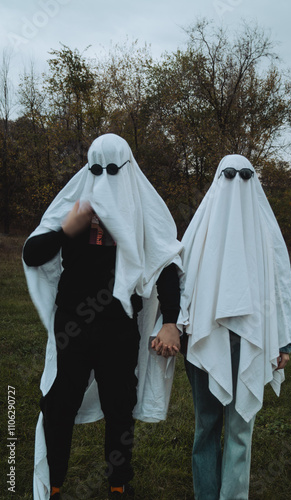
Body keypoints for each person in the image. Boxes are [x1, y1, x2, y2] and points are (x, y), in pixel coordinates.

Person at [23, 133, 183, 500]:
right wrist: (67, 229)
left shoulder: (142, 206)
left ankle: (118, 485)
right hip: (73, 322)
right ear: (88, 168)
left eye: (113, 169)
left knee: (119, 405)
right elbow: (33, 252)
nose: (104, 177)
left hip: (118, 325)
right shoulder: (74, 204)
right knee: (60, 404)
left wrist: (171, 321)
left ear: (127, 168)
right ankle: (55, 486)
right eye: (97, 169)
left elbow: (166, 263)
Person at [176, 154, 291, 500]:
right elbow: (180, 280)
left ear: (254, 181)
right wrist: (174, 324)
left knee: (241, 427)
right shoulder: (200, 230)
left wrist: (284, 343)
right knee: (207, 424)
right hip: (204, 338)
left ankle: (233, 496)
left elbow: (280, 287)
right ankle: (206, 493)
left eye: (245, 175)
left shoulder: (266, 232)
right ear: (218, 179)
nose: (237, 182)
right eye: (229, 174)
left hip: (252, 340)